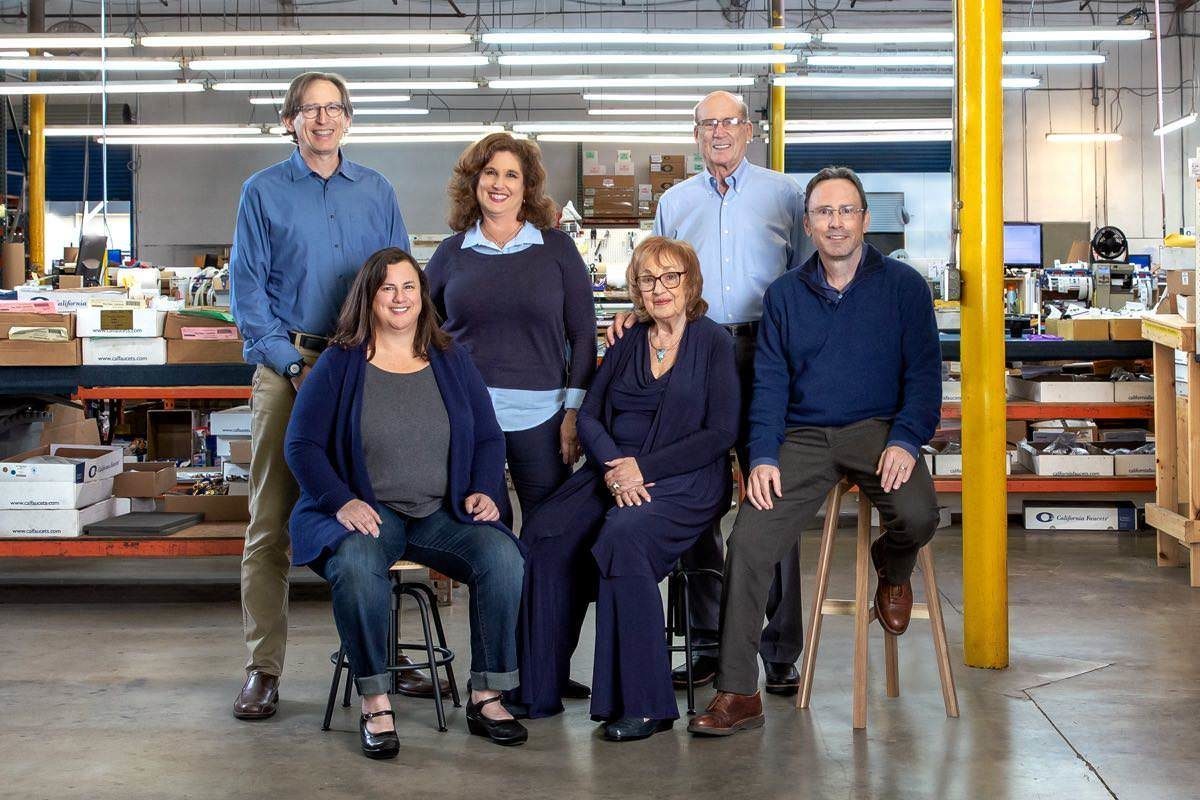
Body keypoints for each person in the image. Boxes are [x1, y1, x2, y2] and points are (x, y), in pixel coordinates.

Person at [688, 166, 942, 736]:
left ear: (865, 219)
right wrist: (763, 457)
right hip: (802, 437)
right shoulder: (784, 295)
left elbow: (925, 377)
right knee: (749, 541)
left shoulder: (904, 288)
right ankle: (737, 691)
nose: (835, 222)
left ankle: (892, 566)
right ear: (808, 224)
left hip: (878, 429)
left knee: (921, 514)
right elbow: (770, 384)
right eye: (823, 212)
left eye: (846, 210)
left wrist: (905, 438)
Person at [230, 72, 438, 720]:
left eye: (333, 108)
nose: (322, 119)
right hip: (290, 364)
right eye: (309, 109)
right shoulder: (261, 193)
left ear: (348, 118)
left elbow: (400, 280)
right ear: (290, 120)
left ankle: (386, 655)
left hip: (367, 366)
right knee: (270, 522)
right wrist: (293, 367)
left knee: (383, 508)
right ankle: (263, 669)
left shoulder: (376, 191)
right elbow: (248, 297)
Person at [285, 247, 528, 756]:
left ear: (423, 296)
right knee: (353, 566)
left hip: (442, 513)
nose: (400, 298)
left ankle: (487, 695)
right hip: (372, 512)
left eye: (409, 287)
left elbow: (487, 435)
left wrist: (484, 489)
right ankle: (376, 700)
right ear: (369, 298)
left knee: (503, 556)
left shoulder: (450, 357)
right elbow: (301, 445)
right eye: (387, 288)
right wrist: (340, 501)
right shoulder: (340, 362)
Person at [609, 89, 807, 695]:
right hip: (690, 353)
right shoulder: (674, 201)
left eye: (729, 122)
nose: (718, 133)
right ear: (695, 135)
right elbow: (657, 278)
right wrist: (631, 317)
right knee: (690, 491)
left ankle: (777, 648)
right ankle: (705, 643)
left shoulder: (785, 194)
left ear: (749, 131)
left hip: (762, 352)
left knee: (771, 493)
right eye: (707, 124)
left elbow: (802, 281)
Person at [516, 237, 739, 742]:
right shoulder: (627, 340)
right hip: (613, 468)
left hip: (685, 478)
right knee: (546, 531)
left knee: (624, 535)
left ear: (690, 282)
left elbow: (720, 433)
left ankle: (645, 702)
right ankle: (539, 685)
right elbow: (591, 414)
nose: (659, 289)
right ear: (635, 288)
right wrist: (616, 466)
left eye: (670, 277)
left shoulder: (714, 343)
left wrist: (643, 469)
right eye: (647, 279)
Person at [426, 132, 596, 525]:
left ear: (527, 186)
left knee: (549, 529)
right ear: (474, 181)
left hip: (543, 415)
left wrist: (573, 412)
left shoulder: (556, 250)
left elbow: (583, 336)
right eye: (489, 173)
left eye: (511, 175)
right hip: (470, 413)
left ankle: (540, 592)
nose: (499, 184)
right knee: (487, 532)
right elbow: (421, 328)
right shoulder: (451, 253)